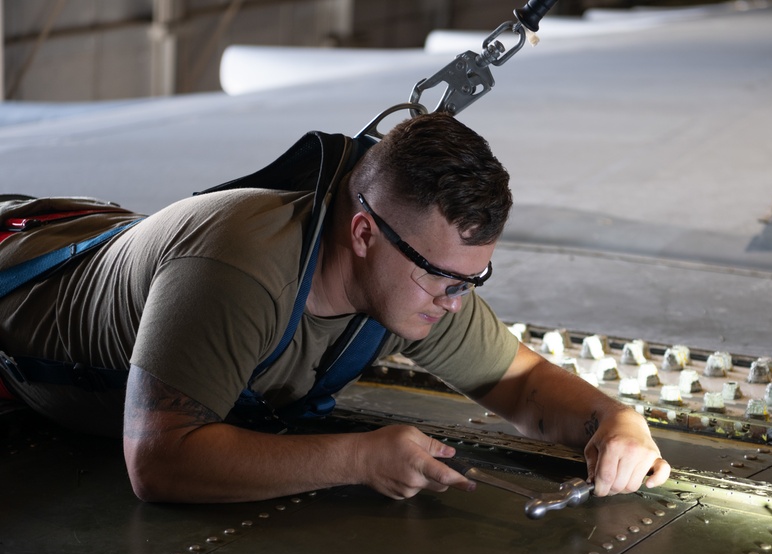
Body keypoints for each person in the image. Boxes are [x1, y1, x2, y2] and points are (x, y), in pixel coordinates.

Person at [0, 112, 670, 504]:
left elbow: (518, 382)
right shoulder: (239, 268)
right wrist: (358, 458)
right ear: (362, 234)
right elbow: (158, 458)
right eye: (440, 275)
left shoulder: (416, 280)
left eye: (472, 278)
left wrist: (611, 420)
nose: (454, 299)